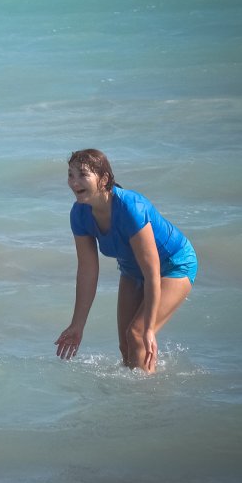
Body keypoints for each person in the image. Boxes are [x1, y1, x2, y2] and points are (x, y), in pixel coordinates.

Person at [55, 149, 197, 373]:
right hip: (131, 270)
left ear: (104, 179)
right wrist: (77, 324)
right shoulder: (79, 214)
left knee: (138, 335)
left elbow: (153, 272)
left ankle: (146, 402)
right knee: (125, 346)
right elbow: (87, 271)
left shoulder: (131, 208)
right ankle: (131, 400)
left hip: (173, 265)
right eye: (71, 175)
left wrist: (149, 329)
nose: (74, 182)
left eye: (83, 174)